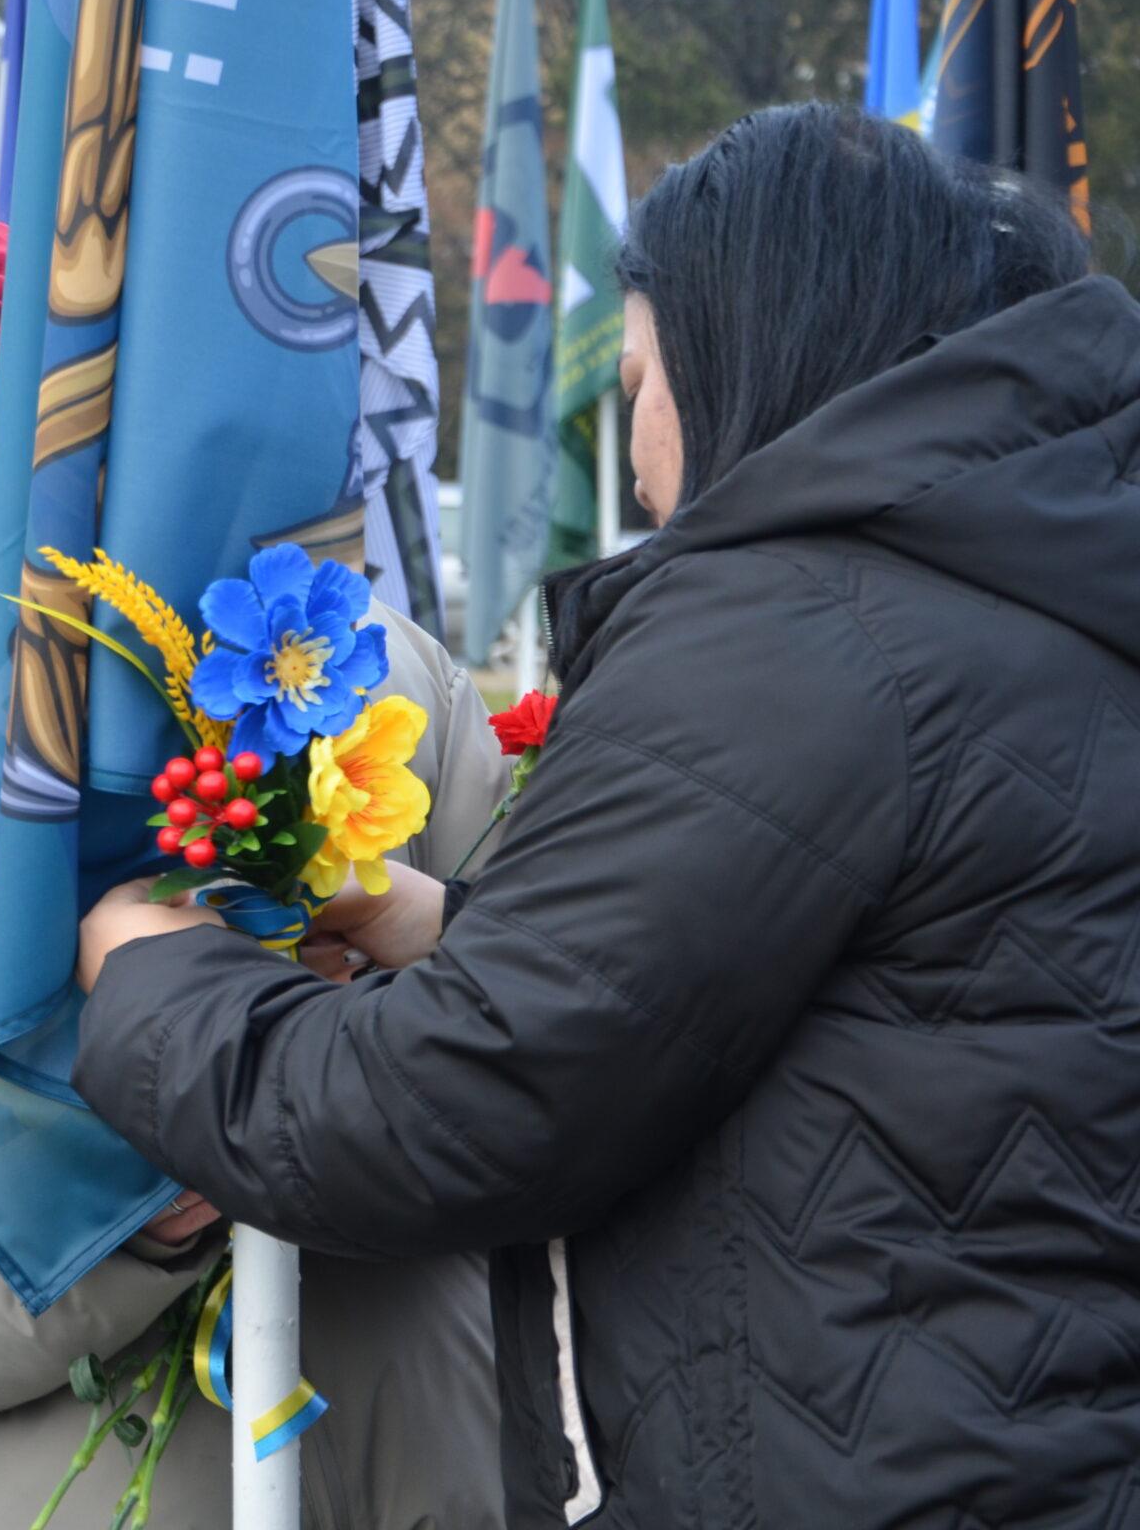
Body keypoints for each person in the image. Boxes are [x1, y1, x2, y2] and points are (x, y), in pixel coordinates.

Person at [73, 104, 1140, 1528]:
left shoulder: (797, 631)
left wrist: (149, 976)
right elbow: (864, 1005)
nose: (633, 454)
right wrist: (432, 920)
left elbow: (457, 1108)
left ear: (747, 356)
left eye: (636, 376)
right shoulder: (1034, 590)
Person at [0, 84, 507, 1530]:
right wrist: (142, 1185)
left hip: (418, 1474)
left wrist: (399, 917)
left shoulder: (357, 675)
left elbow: (582, 1031)